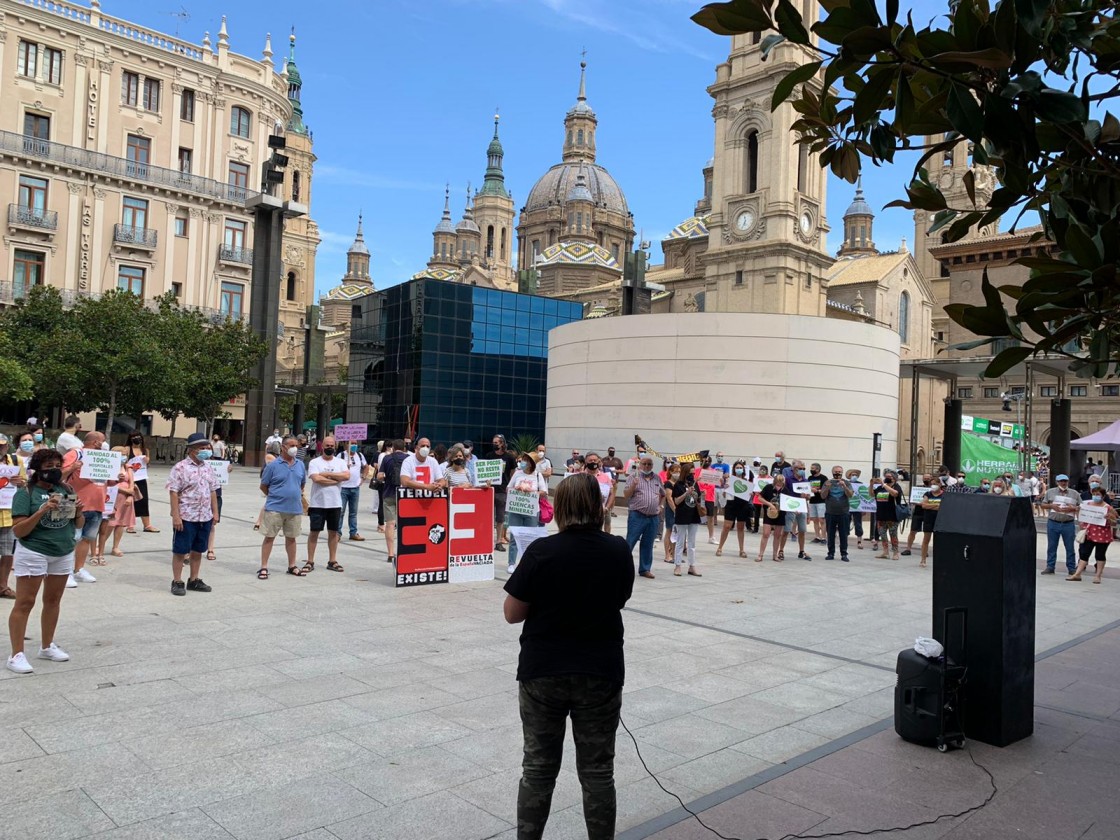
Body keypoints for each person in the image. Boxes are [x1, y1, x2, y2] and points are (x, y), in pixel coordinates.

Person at [503, 473, 634, 840]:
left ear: (559, 507)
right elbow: (620, 599)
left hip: (543, 671)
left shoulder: (543, 551)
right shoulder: (618, 550)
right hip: (600, 671)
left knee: (538, 769)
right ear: (597, 506)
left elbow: (512, 613)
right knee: (597, 772)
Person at [7, 448, 83, 674]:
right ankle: (16, 654)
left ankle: (47, 646)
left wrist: (79, 512)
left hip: (62, 550)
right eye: (49, 467)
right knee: (25, 602)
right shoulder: (25, 492)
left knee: (53, 600)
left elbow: (77, 525)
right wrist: (42, 510)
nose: (55, 470)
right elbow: (19, 531)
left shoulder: (65, 489)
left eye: (57, 466)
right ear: (37, 470)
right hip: (34, 551)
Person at [166, 432, 219, 596]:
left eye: (207, 447)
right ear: (192, 449)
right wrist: (176, 515)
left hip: (204, 516)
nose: (206, 450)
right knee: (181, 550)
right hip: (187, 516)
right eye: (202, 448)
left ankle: (194, 579)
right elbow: (173, 492)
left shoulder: (208, 467)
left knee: (198, 550)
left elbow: (212, 491)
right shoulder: (180, 467)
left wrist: (215, 513)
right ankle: (177, 581)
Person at [61, 432, 114, 586]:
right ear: (96, 442)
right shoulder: (75, 454)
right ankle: (65, 572)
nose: (105, 444)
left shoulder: (105, 458)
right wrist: (73, 467)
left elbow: (109, 482)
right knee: (71, 538)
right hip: (74, 503)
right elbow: (59, 475)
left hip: (97, 505)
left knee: (86, 538)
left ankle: (79, 570)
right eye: (103, 441)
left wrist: (117, 478)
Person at [258, 435, 308, 578]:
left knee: (292, 538)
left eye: (296, 446)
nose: (294, 448)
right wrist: (275, 496)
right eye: (291, 445)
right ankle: (264, 567)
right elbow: (263, 485)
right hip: (275, 508)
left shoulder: (300, 464)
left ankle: (292, 565)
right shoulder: (273, 465)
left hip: (294, 508)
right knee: (269, 537)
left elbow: (302, 484)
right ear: (283, 447)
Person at [305, 434, 350, 573]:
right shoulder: (315, 462)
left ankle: (332, 560)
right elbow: (316, 479)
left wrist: (326, 474)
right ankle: (310, 561)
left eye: (332, 446)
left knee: (333, 533)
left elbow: (347, 476)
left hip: (335, 503)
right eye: (327, 445)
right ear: (322, 446)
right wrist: (336, 479)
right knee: (314, 533)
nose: (329, 448)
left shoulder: (340, 462)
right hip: (318, 504)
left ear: (335, 446)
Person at [506, 452, 549, 575]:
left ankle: (526, 562)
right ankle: (511, 563)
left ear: (532, 463)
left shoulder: (537, 475)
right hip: (516, 509)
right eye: (522, 459)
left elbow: (544, 491)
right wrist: (517, 489)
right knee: (514, 536)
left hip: (531, 510)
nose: (523, 462)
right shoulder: (518, 473)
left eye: (526, 460)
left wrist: (532, 491)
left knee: (529, 537)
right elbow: (509, 488)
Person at [624, 453, 664, 579]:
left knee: (648, 543)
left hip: (653, 517)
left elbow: (663, 494)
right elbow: (626, 495)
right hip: (637, 515)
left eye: (649, 464)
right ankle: (622, 566)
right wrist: (634, 485)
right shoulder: (633, 477)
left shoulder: (657, 478)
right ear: (640, 465)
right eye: (644, 464)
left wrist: (660, 506)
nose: (647, 466)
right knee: (630, 542)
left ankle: (645, 569)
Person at [1070, 485, 1117, 583]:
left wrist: (1109, 518)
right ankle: (1077, 574)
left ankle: (1098, 576)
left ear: (1103, 496)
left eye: (1098, 494)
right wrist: (1079, 514)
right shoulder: (1088, 505)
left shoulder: (1108, 507)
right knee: (1084, 554)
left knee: (1100, 555)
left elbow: (1114, 523)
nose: (1096, 496)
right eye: (1094, 494)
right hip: (1089, 533)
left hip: (1103, 535)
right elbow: (1082, 518)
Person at [0, 434, 27, 600]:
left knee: (7, 553)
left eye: (2, 445)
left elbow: (25, 483)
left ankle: (3, 586)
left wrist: (20, 482)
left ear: (7, 446)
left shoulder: (16, 461)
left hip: (9, 514)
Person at [116, 431, 157, 533]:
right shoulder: (127, 449)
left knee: (143, 500)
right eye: (134, 437)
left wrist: (147, 460)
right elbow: (122, 461)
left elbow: (147, 462)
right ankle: (130, 525)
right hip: (129, 478)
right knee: (130, 501)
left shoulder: (145, 450)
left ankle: (147, 525)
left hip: (141, 478)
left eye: (139, 437)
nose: (137, 439)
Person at [1042, 474, 1080, 576]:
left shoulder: (1074, 493)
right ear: (1057, 482)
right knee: (1052, 546)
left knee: (1070, 547)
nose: (1063, 483)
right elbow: (1043, 504)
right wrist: (1051, 506)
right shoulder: (1050, 492)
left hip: (1068, 523)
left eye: (1065, 481)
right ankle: (1050, 566)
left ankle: (1071, 567)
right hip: (1053, 522)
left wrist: (1073, 508)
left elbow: (1081, 506)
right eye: (1061, 481)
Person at [379, 439, 408, 566]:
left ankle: (390, 553)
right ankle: (405, 550)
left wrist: (387, 477)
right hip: (405, 494)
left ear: (393, 447)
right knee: (405, 525)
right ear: (404, 447)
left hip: (389, 494)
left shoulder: (387, 458)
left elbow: (379, 476)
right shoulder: (409, 459)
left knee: (390, 524)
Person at [670, 462, 703, 577]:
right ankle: (677, 565)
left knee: (692, 542)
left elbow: (697, 497)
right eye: (690, 473)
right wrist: (686, 493)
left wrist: (699, 494)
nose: (692, 476)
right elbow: (677, 501)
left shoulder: (695, 483)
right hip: (682, 515)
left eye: (693, 474)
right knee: (680, 541)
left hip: (693, 514)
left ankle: (692, 565)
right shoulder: (678, 484)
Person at [99, 464, 137, 558]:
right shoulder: (109, 466)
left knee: (121, 523)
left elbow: (132, 484)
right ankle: (100, 546)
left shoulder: (128, 468)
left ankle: (115, 547)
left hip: (125, 498)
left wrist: (130, 496)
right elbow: (106, 483)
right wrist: (124, 490)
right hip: (112, 497)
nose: (124, 456)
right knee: (110, 523)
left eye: (125, 453)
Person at [487, 434, 517, 551]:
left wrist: (510, 487)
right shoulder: (489, 456)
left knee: (500, 518)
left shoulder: (509, 457)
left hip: (502, 491)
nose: (494, 444)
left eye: (496, 443)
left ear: (502, 444)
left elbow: (513, 474)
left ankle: (498, 541)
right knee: (488, 517)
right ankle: (486, 540)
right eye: (493, 442)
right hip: (489, 490)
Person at [716, 460, 751, 558]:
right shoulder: (729, 480)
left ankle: (741, 550)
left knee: (740, 527)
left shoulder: (746, 481)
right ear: (734, 469)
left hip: (742, 505)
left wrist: (750, 494)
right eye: (737, 468)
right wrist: (725, 489)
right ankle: (720, 548)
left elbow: (749, 493)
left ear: (743, 469)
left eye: (740, 468)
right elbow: (724, 493)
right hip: (731, 504)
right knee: (726, 526)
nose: (739, 469)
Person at [779, 460, 813, 561]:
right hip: (791, 507)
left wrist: (807, 497)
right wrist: (797, 496)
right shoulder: (788, 480)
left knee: (802, 530)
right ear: (794, 469)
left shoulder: (806, 481)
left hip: (802, 507)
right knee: (786, 530)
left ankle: (801, 551)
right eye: (800, 468)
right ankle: (781, 550)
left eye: (803, 469)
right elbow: (784, 494)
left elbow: (809, 497)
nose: (802, 470)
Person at [821, 466, 854, 562]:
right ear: (832, 472)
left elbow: (850, 495)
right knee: (830, 534)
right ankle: (830, 553)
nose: (838, 473)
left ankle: (844, 554)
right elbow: (823, 496)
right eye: (836, 472)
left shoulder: (846, 482)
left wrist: (844, 486)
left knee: (843, 535)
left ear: (842, 473)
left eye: (839, 472)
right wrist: (827, 488)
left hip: (843, 513)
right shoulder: (827, 482)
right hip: (830, 512)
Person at [340, 441, 367, 542]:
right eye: (352, 443)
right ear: (346, 444)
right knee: (341, 512)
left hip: (355, 488)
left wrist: (363, 477)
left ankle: (353, 532)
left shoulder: (359, 455)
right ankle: (338, 533)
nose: (354, 445)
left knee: (353, 512)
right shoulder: (342, 455)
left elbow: (366, 466)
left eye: (356, 443)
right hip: (343, 488)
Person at [871, 472, 902, 561]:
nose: (887, 478)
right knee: (882, 534)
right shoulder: (880, 488)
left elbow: (895, 494)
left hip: (892, 516)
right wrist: (871, 484)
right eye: (886, 476)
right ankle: (885, 552)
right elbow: (872, 494)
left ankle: (895, 553)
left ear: (894, 478)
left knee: (893, 534)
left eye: (890, 477)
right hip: (881, 515)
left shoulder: (896, 486)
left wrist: (883, 484)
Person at [254, 440, 282, 529]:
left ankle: (261, 521)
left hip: (276, 482)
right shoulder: (270, 456)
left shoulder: (278, 457)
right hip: (269, 482)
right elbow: (278, 465)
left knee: (270, 502)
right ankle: (259, 521)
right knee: (269, 502)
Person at [917, 479, 945, 568]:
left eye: (935, 484)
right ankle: (923, 559)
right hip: (928, 519)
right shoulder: (928, 494)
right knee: (926, 540)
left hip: (940, 520)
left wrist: (930, 506)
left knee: (939, 541)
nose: (933, 486)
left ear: (940, 484)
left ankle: (940, 560)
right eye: (932, 484)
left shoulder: (944, 494)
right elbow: (924, 505)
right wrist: (936, 505)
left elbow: (943, 507)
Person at [758, 474, 786, 562]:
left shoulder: (785, 490)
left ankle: (775, 555)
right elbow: (759, 498)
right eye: (778, 482)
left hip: (780, 514)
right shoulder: (768, 487)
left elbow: (789, 501)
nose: (779, 484)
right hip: (769, 513)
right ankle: (760, 555)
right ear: (774, 481)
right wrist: (769, 504)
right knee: (766, 533)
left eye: (781, 482)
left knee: (777, 535)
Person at [584, 454, 615, 534]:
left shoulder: (605, 477)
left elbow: (612, 494)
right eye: (590, 460)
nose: (593, 462)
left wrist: (607, 508)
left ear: (599, 462)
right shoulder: (580, 476)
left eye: (595, 460)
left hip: (603, 510)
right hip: (585, 512)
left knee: (602, 529)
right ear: (586, 462)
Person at [902, 475, 932, 556]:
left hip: (928, 513)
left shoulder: (933, 489)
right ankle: (908, 549)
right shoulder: (918, 488)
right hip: (918, 512)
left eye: (928, 478)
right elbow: (913, 501)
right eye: (925, 478)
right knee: (913, 531)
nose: (926, 480)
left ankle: (925, 550)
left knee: (927, 533)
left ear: (931, 479)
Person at [661, 462, 679, 564]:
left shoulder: (679, 483)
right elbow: (669, 498)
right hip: (671, 510)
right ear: (671, 472)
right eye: (675, 471)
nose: (678, 473)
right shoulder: (668, 483)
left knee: (675, 532)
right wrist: (675, 510)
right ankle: (667, 555)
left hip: (678, 510)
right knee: (669, 531)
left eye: (679, 472)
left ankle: (674, 553)